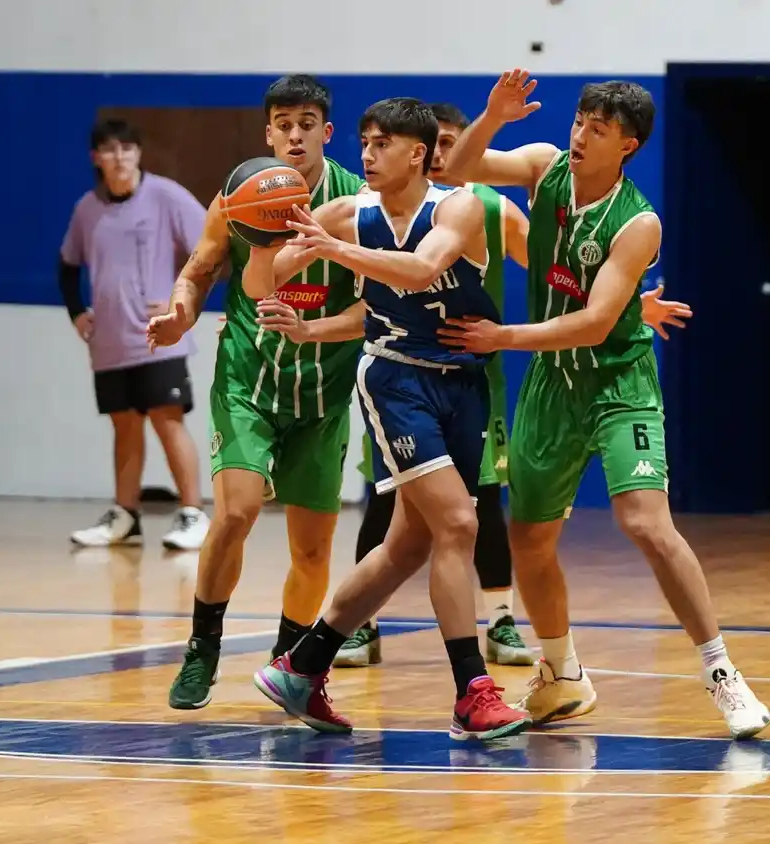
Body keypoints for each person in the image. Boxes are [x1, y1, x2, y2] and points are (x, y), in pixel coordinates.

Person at [437, 69, 770, 738]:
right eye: (580, 122)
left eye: (600, 129)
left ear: (629, 144)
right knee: (530, 540)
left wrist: (504, 336)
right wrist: (495, 115)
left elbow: (594, 322)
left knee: (646, 523)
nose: (582, 135)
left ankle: (722, 674)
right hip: (551, 392)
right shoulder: (542, 169)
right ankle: (561, 675)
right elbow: (458, 165)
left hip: (619, 384)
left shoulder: (638, 222)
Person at [333, 102, 695, 669]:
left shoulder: (490, 212)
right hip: (402, 375)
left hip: (477, 369)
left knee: (478, 507)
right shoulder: (364, 213)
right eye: (578, 122)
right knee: (399, 514)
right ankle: (351, 634)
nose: (446, 156)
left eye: (450, 142)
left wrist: (625, 305)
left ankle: (499, 621)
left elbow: (569, 282)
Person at [249, 98, 530, 740]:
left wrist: (333, 252)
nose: (368, 155)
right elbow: (264, 279)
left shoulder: (457, 206)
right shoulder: (345, 215)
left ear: (418, 153)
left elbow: (421, 270)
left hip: (464, 385)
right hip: (395, 380)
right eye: (365, 142)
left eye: (383, 144)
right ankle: (473, 691)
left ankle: (302, 666)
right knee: (460, 522)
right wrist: (260, 238)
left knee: (406, 546)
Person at [148, 74, 367, 710]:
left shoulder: (359, 205)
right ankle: (202, 648)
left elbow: (372, 311)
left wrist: (311, 328)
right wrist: (180, 313)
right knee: (237, 512)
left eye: (307, 122)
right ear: (267, 132)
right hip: (249, 384)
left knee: (312, 549)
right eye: (282, 123)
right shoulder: (237, 198)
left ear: (326, 132)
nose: (294, 134)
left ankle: (290, 665)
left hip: (322, 396)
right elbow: (198, 272)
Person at [61, 118, 210, 550]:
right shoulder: (87, 209)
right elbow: (66, 266)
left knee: (168, 422)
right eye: (110, 150)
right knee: (124, 428)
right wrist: (77, 313)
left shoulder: (165, 196)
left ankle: (192, 513)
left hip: (158, 338)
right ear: (96, 158)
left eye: (128, 149)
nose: (120, 157)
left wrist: (180, 299)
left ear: (139, 154)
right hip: (109, 343)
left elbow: (211, 251)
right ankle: (125, 515)